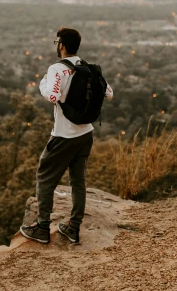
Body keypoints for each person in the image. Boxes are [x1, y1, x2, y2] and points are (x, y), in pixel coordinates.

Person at [20, 27, 113, 244]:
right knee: (78, 181)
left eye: (56, 42)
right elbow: (109, 93)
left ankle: (42, 228)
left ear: (61, 45)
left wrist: (43, 82)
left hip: (64, 135)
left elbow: (52, 95)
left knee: (44, 178)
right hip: (86, 133)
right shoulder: (89, 68)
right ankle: (73, 227)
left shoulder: (57, 69)